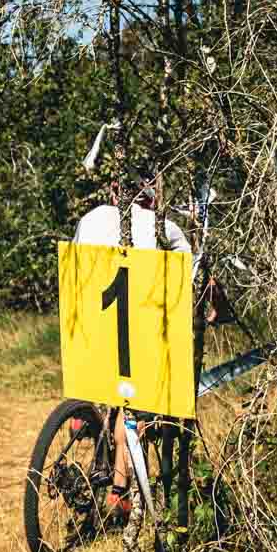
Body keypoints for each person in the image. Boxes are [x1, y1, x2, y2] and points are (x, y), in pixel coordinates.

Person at [70, 173, 199, 524]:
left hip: (91, 332)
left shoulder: (91, 219)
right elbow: (189, 282)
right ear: (154, 195)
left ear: (115, 191)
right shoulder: (167, 230)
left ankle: (82, 414)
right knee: (136, 406)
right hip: (137, 336)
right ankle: (119, 489)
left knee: (108, 377)